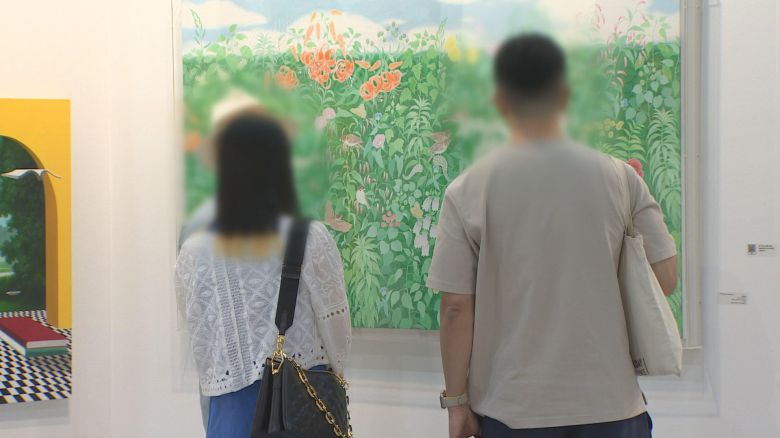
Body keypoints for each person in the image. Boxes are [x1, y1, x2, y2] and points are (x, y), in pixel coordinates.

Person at [427, 34, 678, 438]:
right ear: (564, 96)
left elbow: (456, 307)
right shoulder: (621, 178)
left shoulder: (468, 189)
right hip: (611, 406)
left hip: (513, 410)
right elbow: (665, 280)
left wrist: (456, 404)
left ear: (499, 101)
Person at [175, 108, 351, 438]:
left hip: (226, 417)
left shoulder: (192, 252)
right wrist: (336, 379)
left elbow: (197, 334)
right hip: (299, 409)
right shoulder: (310, 237)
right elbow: (337, 332)